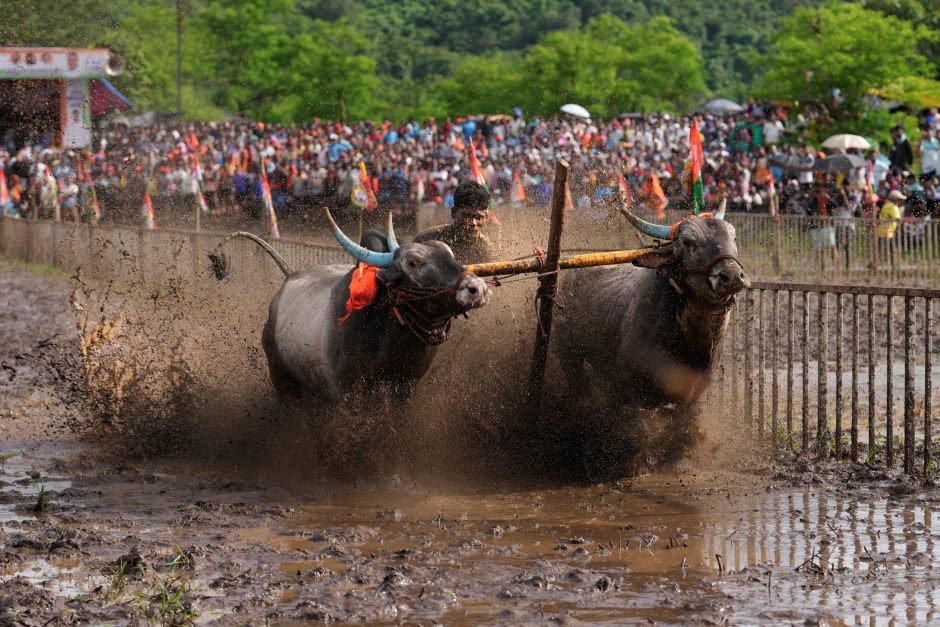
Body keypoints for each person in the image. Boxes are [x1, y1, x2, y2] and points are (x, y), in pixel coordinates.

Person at [413, 180, 497, 264]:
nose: (473, 223)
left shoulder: (487, 251)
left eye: (478, 217)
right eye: (467, 216)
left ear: (486, 217)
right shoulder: (425, 241)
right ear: (454, 213)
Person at [876, 189, 905, 268]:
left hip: (882, 231)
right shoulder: (893, 207)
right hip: (887, 232)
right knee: (893, 251)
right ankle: (894, 267)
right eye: (899, 199)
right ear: (896, 199)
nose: (901, 201)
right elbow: (898, 219)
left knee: (879, 251)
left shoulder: (886, 205)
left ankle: (873, 266)